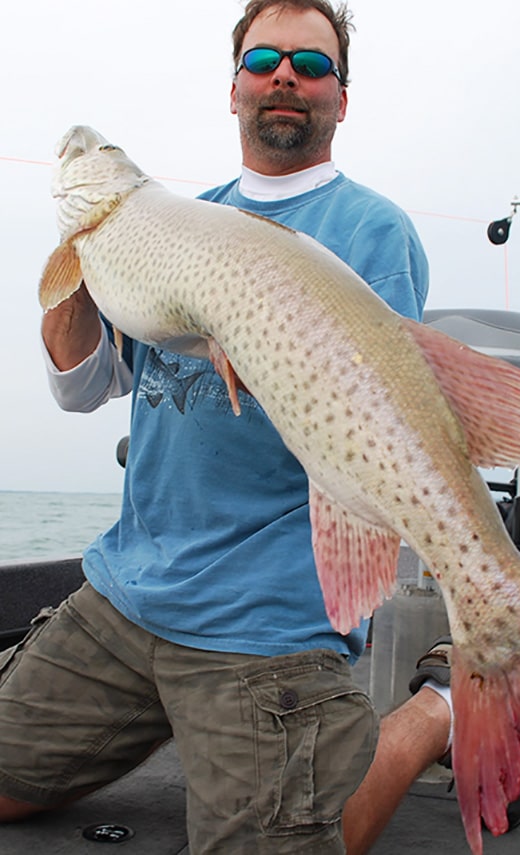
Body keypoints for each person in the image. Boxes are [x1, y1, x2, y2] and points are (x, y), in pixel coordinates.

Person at [0, 1, 454, 852]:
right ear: (236, 86)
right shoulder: (176, 220)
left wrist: (255, 327)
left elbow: (380, 420)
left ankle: (439, 707)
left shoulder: (372, 228)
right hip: (130, 593)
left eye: (313, 65)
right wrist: (79, 253)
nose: (287, 75)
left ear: (340, 100)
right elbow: (82, 386)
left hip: (266, 621)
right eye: (266, 59)